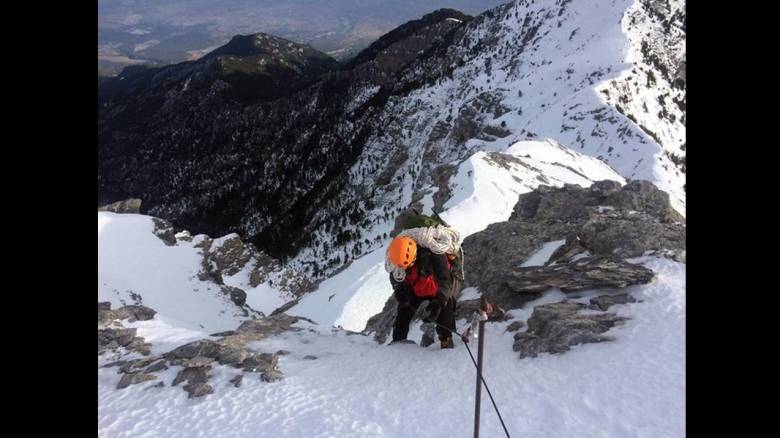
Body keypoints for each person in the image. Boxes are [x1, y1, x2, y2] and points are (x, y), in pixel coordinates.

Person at [387, 235, 458, 348]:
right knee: (403, 312)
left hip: (437, 290)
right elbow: (395, 277)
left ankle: (446, 340)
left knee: (444, 311)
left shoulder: (435, 253)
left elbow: (445, 281)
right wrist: (399, 290)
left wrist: (439, 302)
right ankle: (398, 341)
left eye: (408, 266)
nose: (405, 270)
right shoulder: (395, 260)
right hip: (415, 290)